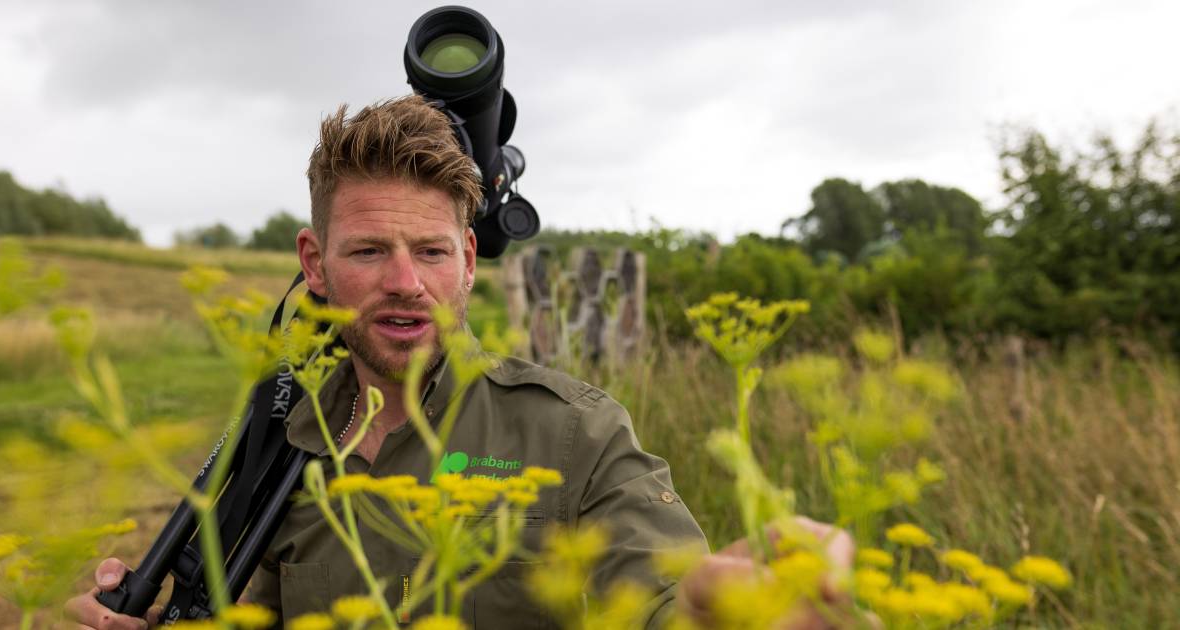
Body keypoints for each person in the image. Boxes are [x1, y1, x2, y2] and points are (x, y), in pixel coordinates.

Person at [66, 95, 853, 629]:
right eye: (369, 250)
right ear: (314, 262)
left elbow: (661, 588)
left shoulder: (574, 431)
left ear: (470, 259)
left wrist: (720, 605)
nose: (405, 283)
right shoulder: (284, 433)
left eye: (432, 251)